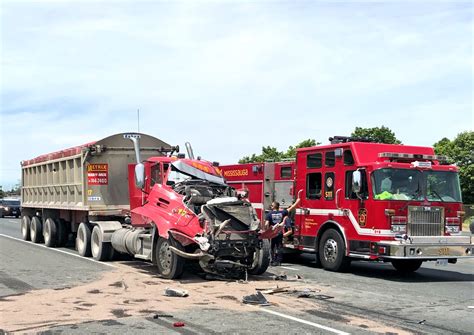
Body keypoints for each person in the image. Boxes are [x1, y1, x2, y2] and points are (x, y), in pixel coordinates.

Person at [265, 190, 302, 266]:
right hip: (279, 232)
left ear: (273, 207)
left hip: (272, 233)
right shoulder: (282, 213)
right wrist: (298, 200)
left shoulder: (269, 214)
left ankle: (272, 261)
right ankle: (278, 261)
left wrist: (267, 231)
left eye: (271, 206)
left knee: (272, 247)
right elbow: (292, 207)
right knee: (279, 247)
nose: (271, 207)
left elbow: (266, 224)